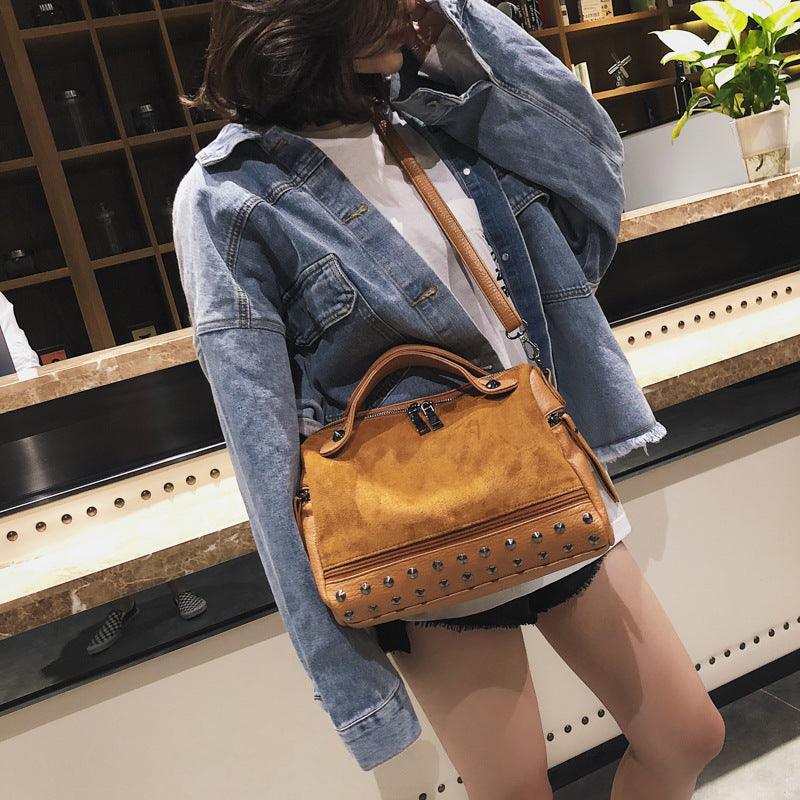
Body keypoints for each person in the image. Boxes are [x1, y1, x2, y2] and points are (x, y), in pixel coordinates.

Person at [172, 0, 725, 795]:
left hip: (542, 476)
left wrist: (460, 30)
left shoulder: (441, 125)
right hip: (419, 527)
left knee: (687, 735)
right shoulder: (227, 196)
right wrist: (347, 674)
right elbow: (261, 449)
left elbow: (590, 162)